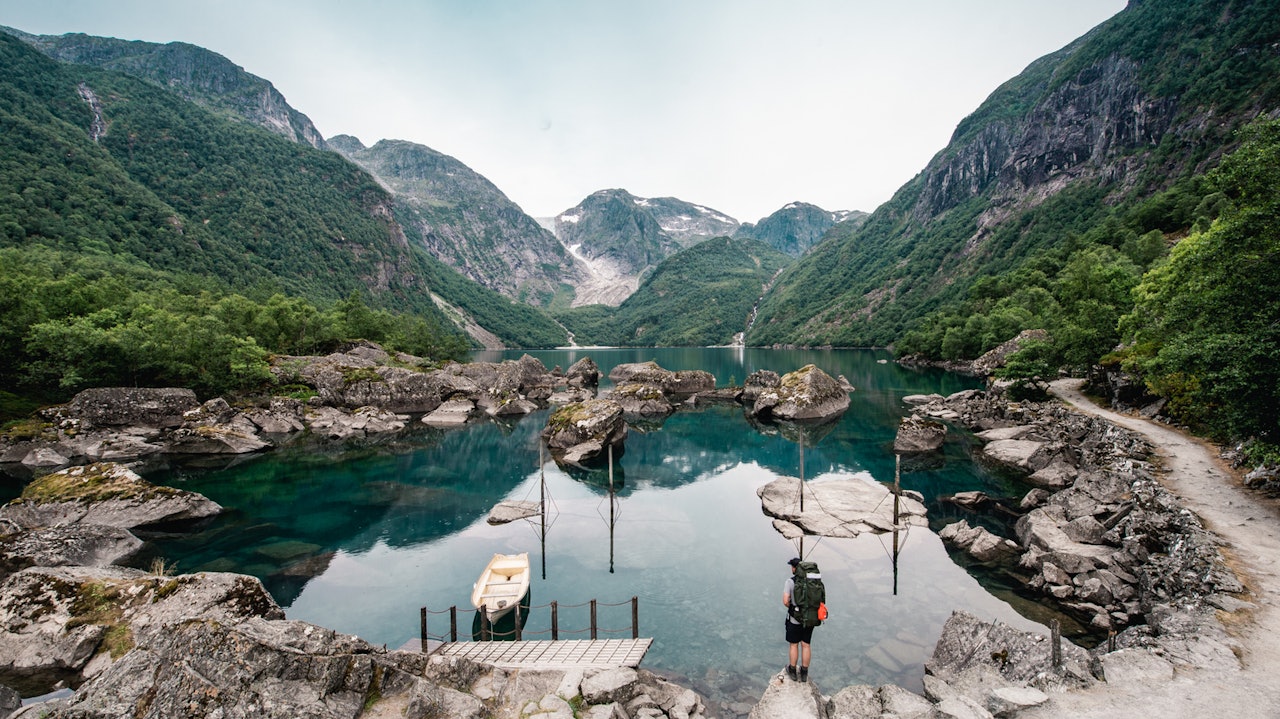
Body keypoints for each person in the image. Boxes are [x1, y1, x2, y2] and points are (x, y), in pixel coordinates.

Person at [782, 557, 813, 682]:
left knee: (794, 644)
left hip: (795, 619)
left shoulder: (790, 582)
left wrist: (794, 608)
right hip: (810, 618)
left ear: (795, 568)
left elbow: (785, 601)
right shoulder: (811, 581)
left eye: (792, 566)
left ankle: (793, 671)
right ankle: (804, 673)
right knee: (806, 645)